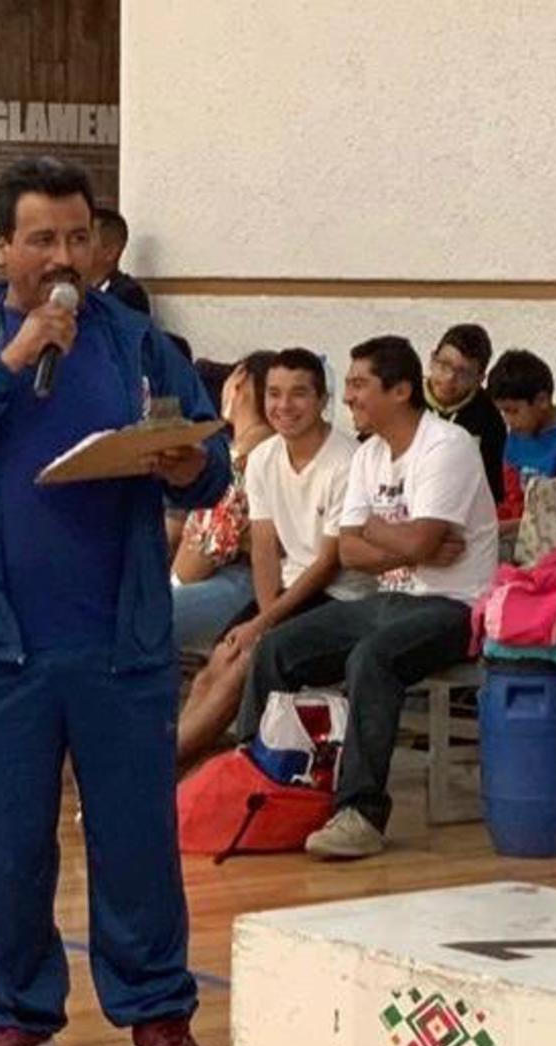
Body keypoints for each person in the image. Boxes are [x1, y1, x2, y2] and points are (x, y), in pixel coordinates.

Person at [0, 155, 228, 1046]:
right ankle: (20, 1011)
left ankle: (156, 1010)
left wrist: (187, 466)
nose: (63, 257)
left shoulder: (136, 344)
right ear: (3, 247)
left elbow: (208, 457)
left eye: (78, 238)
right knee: (5, 844)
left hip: (118, 641)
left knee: (136, 840)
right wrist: (13, 359)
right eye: (42, 239)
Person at [236, 335, 497, 859]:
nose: (349, 396)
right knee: (277, 648)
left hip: (455, 606)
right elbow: (352, 553)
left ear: (400, 391)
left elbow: (402, 542)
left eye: (359, 384)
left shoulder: (446, 447)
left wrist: (380, 532)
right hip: (389, 599)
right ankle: (255, 781)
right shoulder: (370, 453)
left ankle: (360, 813)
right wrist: (406, 544)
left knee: (372, 659)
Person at [176, 348, 371, 768]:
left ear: (322, 400)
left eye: (299, 394)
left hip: (340, 597)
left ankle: (168, 767)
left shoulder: (347, 461)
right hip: (285, 591)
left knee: (247, 660)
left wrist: (265, 624)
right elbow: (264, 546)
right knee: (219, 661)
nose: (284, 406)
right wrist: (265, 616)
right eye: (274, 394)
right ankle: (168, 764)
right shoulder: (264, 456)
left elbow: (328, 563)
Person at [170, 351, 276, 650]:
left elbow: (208, 545)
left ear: (240, 378)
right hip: (246, 579)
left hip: (241, 581)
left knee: (140, 622)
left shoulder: (245, 455)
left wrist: (171, 584)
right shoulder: (257, 448)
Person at [488, 348, 556, 532]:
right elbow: (512, 495)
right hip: (520, 524)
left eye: (513, 411)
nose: (508, 421)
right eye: (503, 412)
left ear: (542, 400)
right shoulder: (517, 433)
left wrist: (509, 526)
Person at [424, 323, 507, 505]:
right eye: (444, 365)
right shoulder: (404, 398)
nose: (449, 378)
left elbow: (492, 489)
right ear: (431, 360)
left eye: (463, 372)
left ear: (479, 379)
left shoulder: (489, 418)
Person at [90, 207, 151, 314]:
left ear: (111, 253)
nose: (78, 247)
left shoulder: (128, 295)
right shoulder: (79, 290)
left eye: (85, 239)